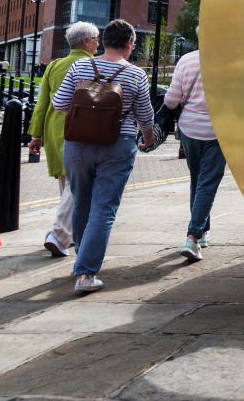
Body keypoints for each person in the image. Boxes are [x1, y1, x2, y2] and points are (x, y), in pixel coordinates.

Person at [52, 19, 155, 293]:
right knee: (104, 208)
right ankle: (86, 273)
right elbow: (145, 116)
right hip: (117, 145)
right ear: (130, 44)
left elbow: (60, 103)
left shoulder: (80, 66)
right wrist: (148, 138)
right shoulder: (136, 75)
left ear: (105, 41)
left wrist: (85, 116)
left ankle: (82, 261)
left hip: (77, 144)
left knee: (82, 202)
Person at [27, 21, 99, 258]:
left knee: (66, 183)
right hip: (80, 129)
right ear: (85, 41)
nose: (98, 43)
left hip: (54, 130)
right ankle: (59, 235)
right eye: (96, 39)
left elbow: (42, 103)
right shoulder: (92, 65)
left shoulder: (54, 65)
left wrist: (36, 135)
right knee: (76, 185)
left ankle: (68, 236)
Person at [163, 38, 222, 262]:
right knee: (207, 184)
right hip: (216, 131)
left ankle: (203, 232)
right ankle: (192, 237)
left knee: (197, 181)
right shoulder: (227, 62)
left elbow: (171, 100)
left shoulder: (186, 61)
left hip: (189, 130)